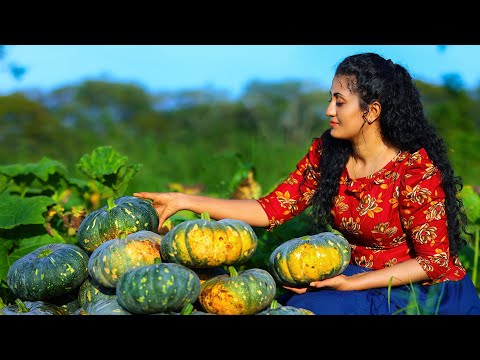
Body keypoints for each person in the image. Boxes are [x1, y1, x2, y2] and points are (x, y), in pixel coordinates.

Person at [134, 52, 480, 315]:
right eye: (330, 99)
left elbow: (432, 262)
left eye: (339, 102)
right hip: (354, 275)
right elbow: (268, 210)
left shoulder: (415, 169)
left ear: (371, 111)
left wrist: (349, 283)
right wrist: (184, 200)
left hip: (420, 288)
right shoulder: (327, 153)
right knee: (281, 305)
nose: (329, 110)